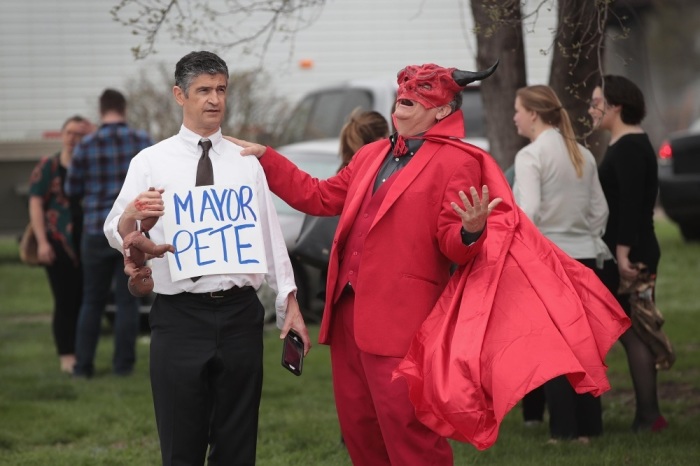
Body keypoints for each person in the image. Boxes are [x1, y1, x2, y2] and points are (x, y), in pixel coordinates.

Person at [230, 61, 630, 462]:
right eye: (402, 93)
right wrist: (266, 157)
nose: (402, 100)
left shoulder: (458, 162)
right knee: (361, 433)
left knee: (409, 435)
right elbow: (318, 196)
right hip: (347, 314)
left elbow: (452, 245)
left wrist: (472, 229)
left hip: (401, 321)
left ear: (441, 110)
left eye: (415, 95)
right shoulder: (371, 154)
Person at [104, 50, 310, 466]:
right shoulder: (150, 162)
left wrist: (288, 301)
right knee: (181, 442)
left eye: (221, 90)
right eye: (203, 91)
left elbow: (269, 235)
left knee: (238, 442)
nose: (214, 99)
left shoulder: (246, 161)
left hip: (238, 315)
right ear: (180, 95)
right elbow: (116, 229)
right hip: (179, 316)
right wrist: (132, 221)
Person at [512, 84, 612, 443]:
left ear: (534, 114)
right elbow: (600, 211)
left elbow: (529, 211)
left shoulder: (531, 157)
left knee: (553, 349)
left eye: (518, 110)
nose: (514, 117)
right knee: (585, 346)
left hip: (548, 261)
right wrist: (583, 236)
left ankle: (564, 432)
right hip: (585, 258)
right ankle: (591, 429)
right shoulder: (582, 153)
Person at [588, 75, 668, 432]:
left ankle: (649, 416)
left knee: (632, 330)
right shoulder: (624, 143)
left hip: (633, 254)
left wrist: (622, 255)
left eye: (596, 102)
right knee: (630, 329)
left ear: (615, 105)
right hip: (629, 249)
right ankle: (647, 415)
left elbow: (635, 206)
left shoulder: (631, 146)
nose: (591, 109)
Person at [65, 89, 153, 378]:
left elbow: (72, 190)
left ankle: (83, 367)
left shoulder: (87, 145)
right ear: (123, 109)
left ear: (101, 110)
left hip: (94, 228)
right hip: (130, 232)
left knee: (92, 299)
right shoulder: (141, 142)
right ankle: (123, 366)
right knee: (127, 300)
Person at [27, 115, 91, 373]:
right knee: (65, 300)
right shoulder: (48, 166)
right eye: (70, 133)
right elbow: (35, 203)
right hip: (57, 242)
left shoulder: (89, 165)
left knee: (84, 299)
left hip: (87, 242)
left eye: (81, 134)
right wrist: (42, 242)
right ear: (62, 135)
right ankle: (67, 355)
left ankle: (82, 352)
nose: (75, 139)